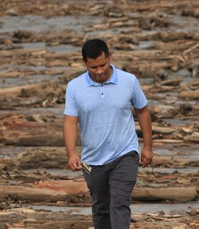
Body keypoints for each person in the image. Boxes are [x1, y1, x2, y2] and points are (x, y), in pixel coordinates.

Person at [63, 38, 153, 229]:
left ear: (110, 57)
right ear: (84, 62)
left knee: (120, 202)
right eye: (93, 67)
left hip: (125, 154)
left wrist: (147, 146)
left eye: (103, 65)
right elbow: (70, 122)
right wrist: (71, 153)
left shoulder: (129, 81)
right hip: (90, 161)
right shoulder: (74, 87)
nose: (99, 71)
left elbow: (143, 111)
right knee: (101, 206)